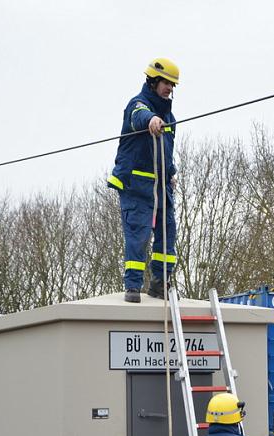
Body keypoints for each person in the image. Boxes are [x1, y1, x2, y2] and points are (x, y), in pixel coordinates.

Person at [107, 57, 179, 303]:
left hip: (160, 188)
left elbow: (165, 153)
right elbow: (140, 116)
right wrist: (150, 120)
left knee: (168, 235)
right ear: (152, 82)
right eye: (165, 83)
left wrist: (171, 173)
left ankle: (160, 283)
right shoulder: (137, 105)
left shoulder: (169, 119)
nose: (169, 89)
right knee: (138, 235)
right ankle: (133, 286)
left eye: (172, 85)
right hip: (137, 186)